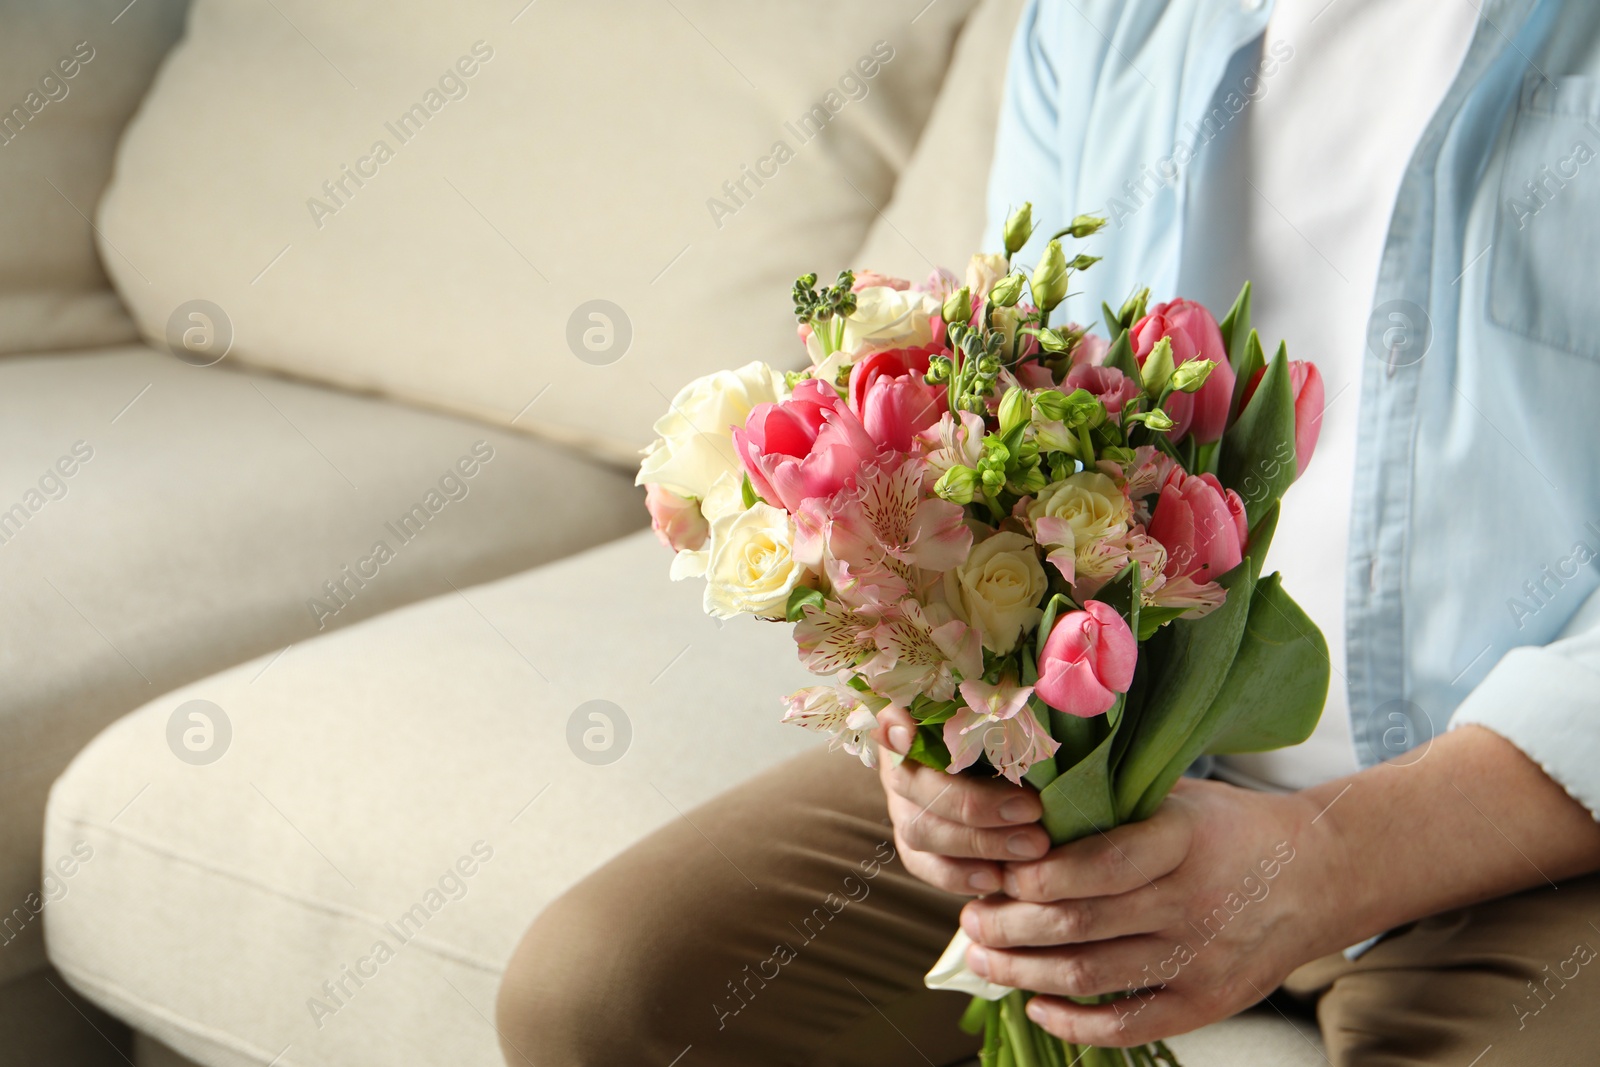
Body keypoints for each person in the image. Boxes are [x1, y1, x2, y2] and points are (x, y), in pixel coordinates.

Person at [496, 1, 1600, 1063]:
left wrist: (1333, 855)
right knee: (600, 994)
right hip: (1094, 765)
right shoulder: (1096, 18)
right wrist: (928, 728)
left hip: (1527, 829)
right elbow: (1005, 428)